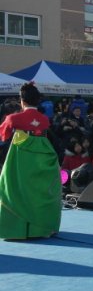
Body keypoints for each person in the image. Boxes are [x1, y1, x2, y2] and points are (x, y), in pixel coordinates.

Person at [0, 82, 62, 240]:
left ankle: (18, 229)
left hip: (21, 161)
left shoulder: (13, 118)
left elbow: (4, 136)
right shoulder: (45, 120)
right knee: (39, 192)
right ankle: (41, 228)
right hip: (42, 160)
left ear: (22, 100)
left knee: (15, 191)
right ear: (38, 100)